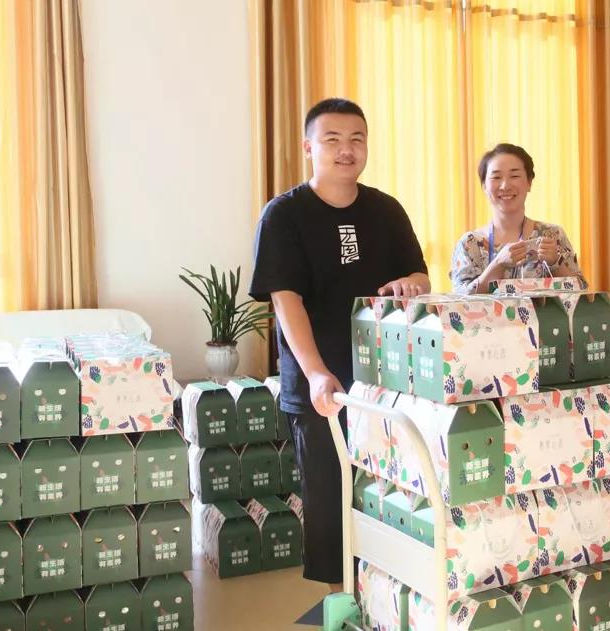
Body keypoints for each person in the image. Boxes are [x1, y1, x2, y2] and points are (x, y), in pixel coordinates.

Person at [249, 98, 430, 592]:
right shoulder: (283, 215)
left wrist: (411, 284)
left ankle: (387, 600)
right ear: (309, 147)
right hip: (323, 386)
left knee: (392, 491)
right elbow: (286, 301)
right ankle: (342, 604)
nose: (346, 150)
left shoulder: (386, 209)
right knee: (331, 497)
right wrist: (314, 373)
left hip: (386, 384)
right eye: (332, 140)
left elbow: (420, 275)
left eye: (356, 140)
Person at [450, 143, 585, 294]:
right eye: (496, 177)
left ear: (529, 182)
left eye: (514, 176)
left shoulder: (552, 235)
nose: (505, 186)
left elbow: (582, 293)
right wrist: (498, 264)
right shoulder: (470, 243)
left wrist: (555, 263)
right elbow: (459, 299)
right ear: (484, 186)